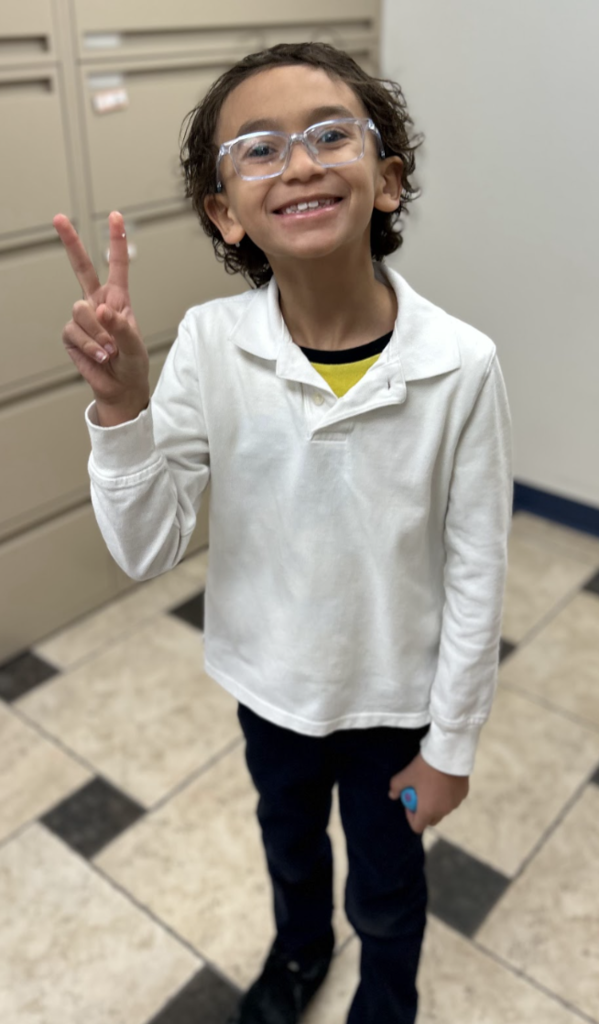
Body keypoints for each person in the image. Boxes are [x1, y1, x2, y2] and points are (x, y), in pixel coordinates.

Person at [53, 42, 513, 1024]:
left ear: (385, 179)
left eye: (328, 135)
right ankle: (298, 953)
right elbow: (145, 545)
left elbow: (477, 569)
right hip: (269, 688)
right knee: (289, 843)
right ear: (226, 212)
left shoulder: (461, 365)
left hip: (396, 704)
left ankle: (385, 998)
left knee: (388, 892)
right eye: (254, 150)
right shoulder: (209, 347)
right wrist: (127, 409)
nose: (297, 163)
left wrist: (451, 744)